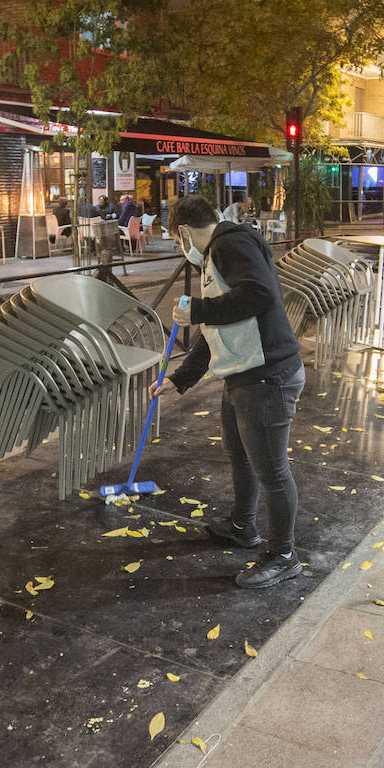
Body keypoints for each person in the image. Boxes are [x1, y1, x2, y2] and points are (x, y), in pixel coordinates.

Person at [152, 194, 305, 590]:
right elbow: (217, 327)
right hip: (244, 373)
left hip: (266, 375)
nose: (178, 248)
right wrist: (180, 378)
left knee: (272, 471)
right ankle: (242, 525)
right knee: (241, 455)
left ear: (183, 231)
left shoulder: (228, 245)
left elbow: (258, 295)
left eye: (174, 240)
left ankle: (283, 555)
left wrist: (199, 310)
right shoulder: (220, 250)